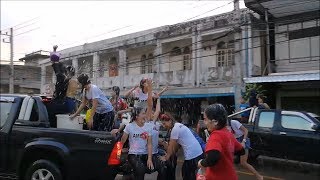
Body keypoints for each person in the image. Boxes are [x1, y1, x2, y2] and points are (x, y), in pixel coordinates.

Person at [197, 104, 245, 180]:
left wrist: (201, 163)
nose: (204, 122)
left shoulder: (215, 136)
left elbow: (212, 158)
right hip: (231, 176)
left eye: (205, 119)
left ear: (215, 121)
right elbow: (241, 151)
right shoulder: (228, 134)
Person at [120, 78, 154, 180]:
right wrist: (133, 88)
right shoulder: (138, 92)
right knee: (126, 128)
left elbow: (150, 104)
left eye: (148, 83)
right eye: (146, 83)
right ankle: (126, 154)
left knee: (148, 134)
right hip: (135, 115)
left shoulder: (149, 93)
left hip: (144, 116)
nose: (147, 84)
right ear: (142, 85)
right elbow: (125, 96)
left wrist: (152, 90)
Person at [159, 112, 203, 180]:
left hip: (192, 155)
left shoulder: (175, 130)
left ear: (170, 121)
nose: (164, 126)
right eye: (163, 124)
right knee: (189, 174)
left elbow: (171, 146)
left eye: (165, 123)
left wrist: (166, 157)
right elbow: (176, 147)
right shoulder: (178, 125)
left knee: (187, 175)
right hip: (198, 153)